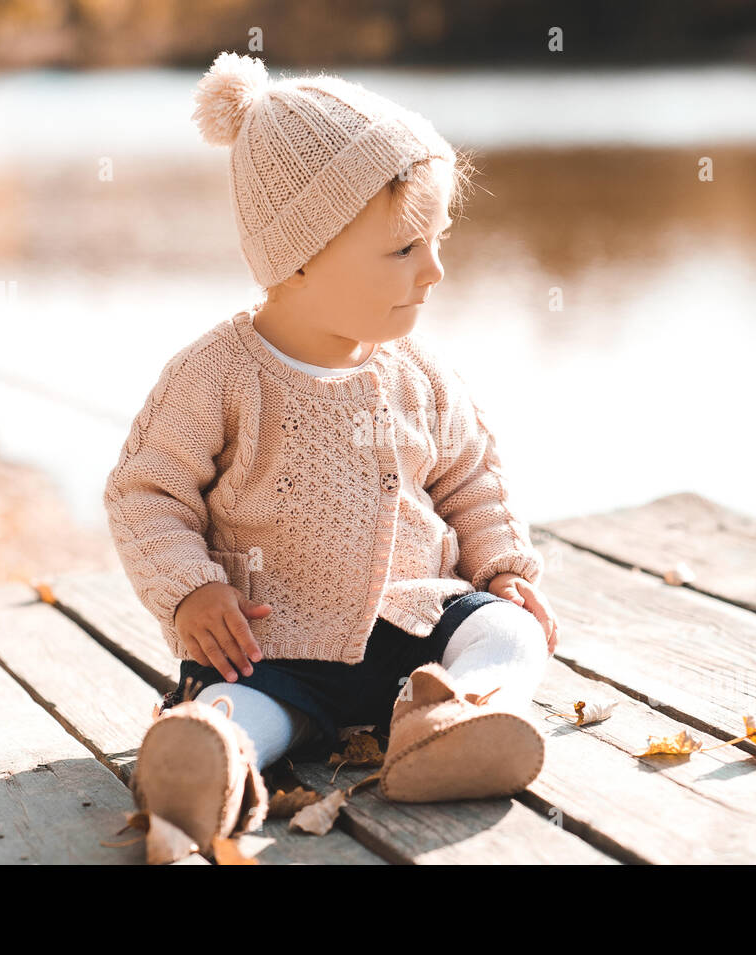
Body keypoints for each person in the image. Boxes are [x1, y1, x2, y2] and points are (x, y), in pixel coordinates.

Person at [104, 51, 560, 862]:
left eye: (437, 242)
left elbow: (470, 481)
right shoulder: (218, 374)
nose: (435, 271)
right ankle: (210, 762)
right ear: (300, 257)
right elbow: (147, 494)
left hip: (416, 627)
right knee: (242, 711)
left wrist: (498, 567)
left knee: (513, 631)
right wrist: (190, 590)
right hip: (273, 645)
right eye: (404, 250)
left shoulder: (419, 372)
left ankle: (450, 717)